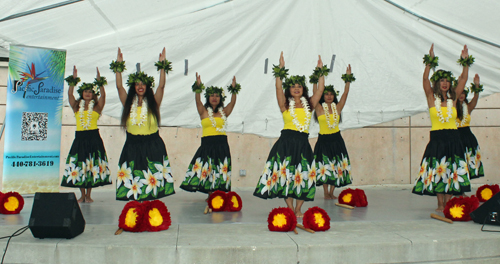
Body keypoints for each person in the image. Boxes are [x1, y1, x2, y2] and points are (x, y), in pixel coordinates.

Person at [253, 52, 325, 217]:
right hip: (286, 142)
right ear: (289, 90)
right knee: (286, 175)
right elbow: (278, 87)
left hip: (302, 143)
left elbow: (320, 90)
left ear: (303, 89)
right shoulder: (284, 104)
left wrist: (320, 72)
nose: (297, 88)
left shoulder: (310, 104)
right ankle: (290, 208)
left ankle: (299, 208)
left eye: (299, 86)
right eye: (293, 86)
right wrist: (280, 71)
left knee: (304, 174)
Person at [412, 44, 472, 212]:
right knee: (440, 170)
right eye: (441, 80)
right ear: (437, 83)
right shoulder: (431, 97)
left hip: (454, 138)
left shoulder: (453, 98)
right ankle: (440, 204)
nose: (445, 83)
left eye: (447, 81)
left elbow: (464, 79)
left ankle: (448, 203)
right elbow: (424, 80)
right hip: (438, 139)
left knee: (452, 171)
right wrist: (429, 62)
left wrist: (465, 62)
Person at [112, 47, 174, 201]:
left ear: (147, 87)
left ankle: (150, 211)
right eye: (137, 84)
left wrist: (162, 67)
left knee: (151, 179)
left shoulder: (154, 103)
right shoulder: (128, 103)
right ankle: (138, 210)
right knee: (135, 179)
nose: (140, 86)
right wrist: (118, 68)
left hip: (152, 144)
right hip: (132, 144)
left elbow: (161, 86)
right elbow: (119, 87)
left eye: (143, 84)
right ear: (133, 87)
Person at [180, 74, 239, 197]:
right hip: (207, 145)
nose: (214, 98)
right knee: (208, 170)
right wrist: (198, 87)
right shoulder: (203, 111)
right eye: (212, 95)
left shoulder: (224, 112)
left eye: (217, 96)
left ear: (220, 98)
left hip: (221, 144)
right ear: (208, 97)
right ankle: (210, 195)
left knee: (219, 169)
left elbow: (232, 103)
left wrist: (234, 90)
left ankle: (217, 195)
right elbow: (197, 100)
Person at [61, 66, 111, 203]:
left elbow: (104, 96)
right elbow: (70, 95)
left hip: (94, 138)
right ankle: (81, 195)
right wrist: (73, 80)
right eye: (85, 91)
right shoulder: (76, 106)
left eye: (90, 91)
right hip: (80, 138)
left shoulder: (97, 107)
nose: (88, 93)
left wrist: (100, 82)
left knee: (91, 165)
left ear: (93, 93)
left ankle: (89, 195)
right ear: (81, 93)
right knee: (80, 165)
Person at [313, 65, 354, 199]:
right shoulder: (319, 108)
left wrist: (348, 79)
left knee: (336, 165)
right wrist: (318, 74)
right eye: (326, 94)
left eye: (331, 94)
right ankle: (325, 192)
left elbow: (345, 94)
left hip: (336, 139)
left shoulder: (338, 107)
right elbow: (315, 92)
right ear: (323, 96)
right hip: (323, 140)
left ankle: (332, 192)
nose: (329, 96)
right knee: (325, 165)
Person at [456, 74, 484, 180]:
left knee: (467, 164)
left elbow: (475, 98)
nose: (462, 95)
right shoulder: (451, 107)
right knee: (458, 164)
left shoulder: (468, 107)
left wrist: (477, 86)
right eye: (460, 92)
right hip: (456, 137)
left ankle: (463, 191)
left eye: (464, 92)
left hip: (467, 137)